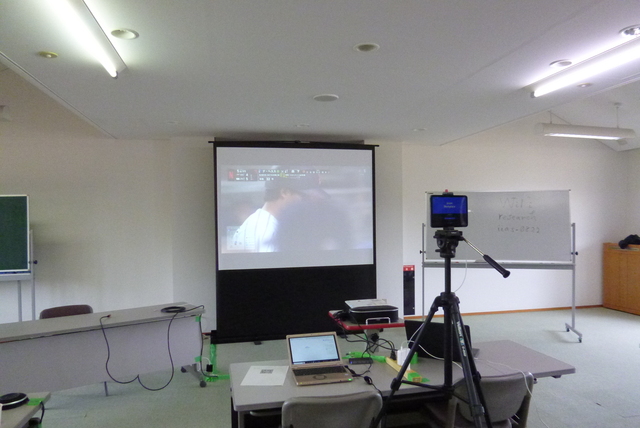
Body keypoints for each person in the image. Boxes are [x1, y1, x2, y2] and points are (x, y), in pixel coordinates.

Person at [231, 175, 311, 252]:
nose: (305, 202)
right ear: (284, 192)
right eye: (303, 197)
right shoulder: (265, 229)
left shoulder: (262, 222)